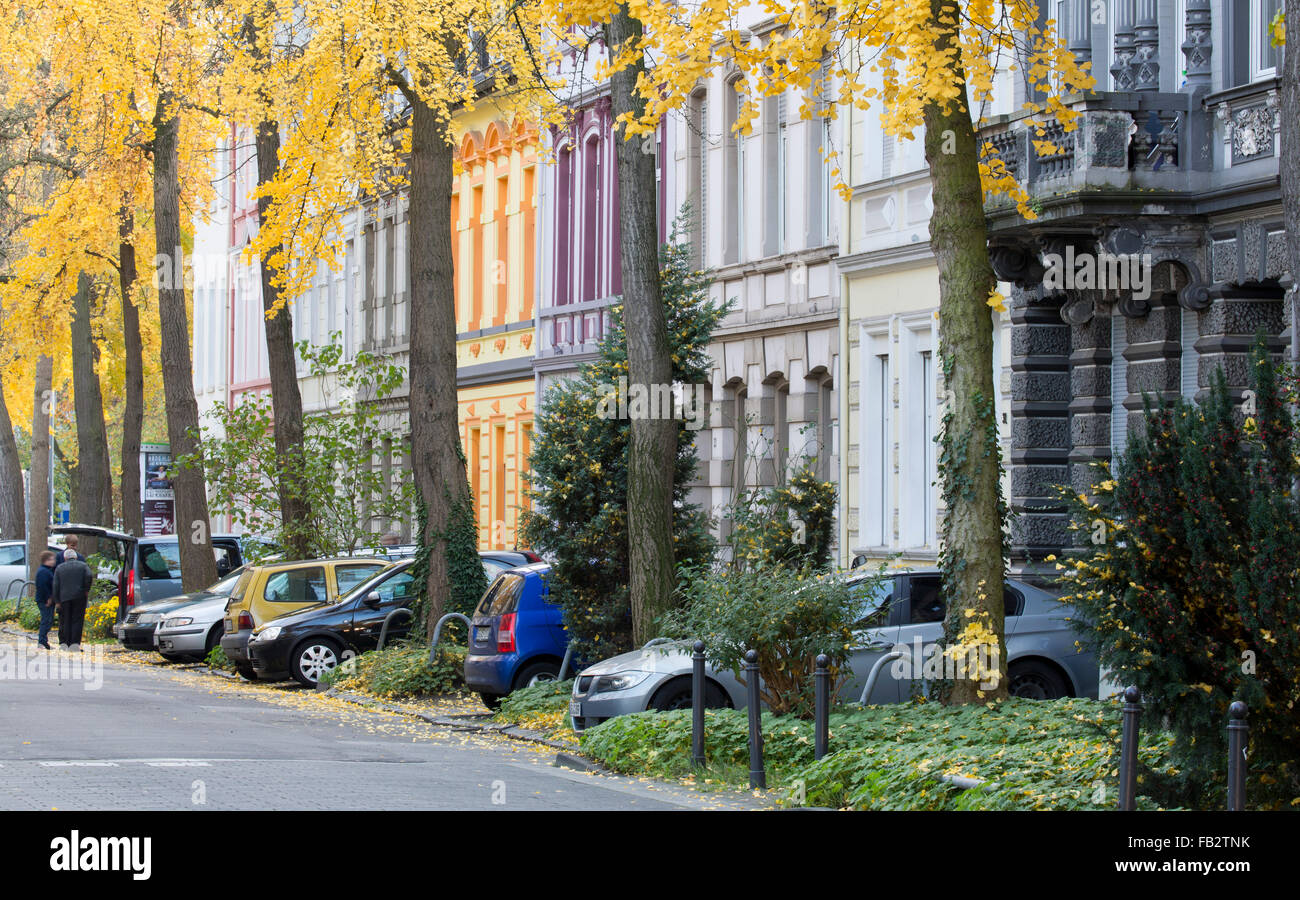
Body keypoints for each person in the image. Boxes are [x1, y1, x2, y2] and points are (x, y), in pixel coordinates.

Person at [52, 547, 93, 651]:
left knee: (64, 620)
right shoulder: (83, 566)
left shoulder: (59, 568)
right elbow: (89, 576)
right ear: (75, 557)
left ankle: (64, 643)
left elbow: (56, 585)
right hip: (79, 596)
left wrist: (57, 601)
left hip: (64, 598)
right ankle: (75, 644)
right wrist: (86, 589)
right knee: (77, 620)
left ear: (65, 558)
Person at [33, 550, 56, 650]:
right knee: (46, 620)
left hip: (47, 599)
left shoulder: (47, 570)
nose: (53, 561)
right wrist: (48, 598)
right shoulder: (43, 572)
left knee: (48, 620)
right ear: (46, 560)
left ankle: (44, 641)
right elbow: (42, 586)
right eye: (51, 559)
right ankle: (42, 641)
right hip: (44, 600)